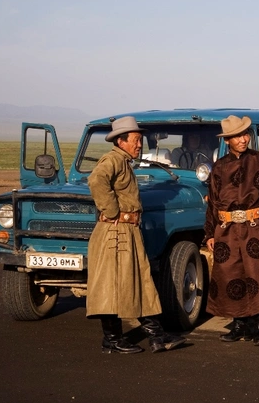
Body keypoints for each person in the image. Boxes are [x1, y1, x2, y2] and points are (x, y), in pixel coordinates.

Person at [87, 116, 187, 354]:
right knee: (113, 285)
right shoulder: (113, 160)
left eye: (140, 140)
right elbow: (96, 180)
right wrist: (111, 210)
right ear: (121, 141)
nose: (139, 145)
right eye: (135, 140)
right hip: (115, 233)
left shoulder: (123, 161)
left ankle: (155, 336)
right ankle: (113, 339)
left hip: (125, 231)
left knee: (136, 281)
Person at [204, 115, 259, 346]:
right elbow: (212, 203)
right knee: (230, 274)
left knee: (258, 274)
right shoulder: (219, 167)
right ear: (227, 140)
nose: (243, 139)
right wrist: (210, 233)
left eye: (245, 134)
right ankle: (238, 325)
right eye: (237, 136)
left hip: (255, 227)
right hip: (226, 229)